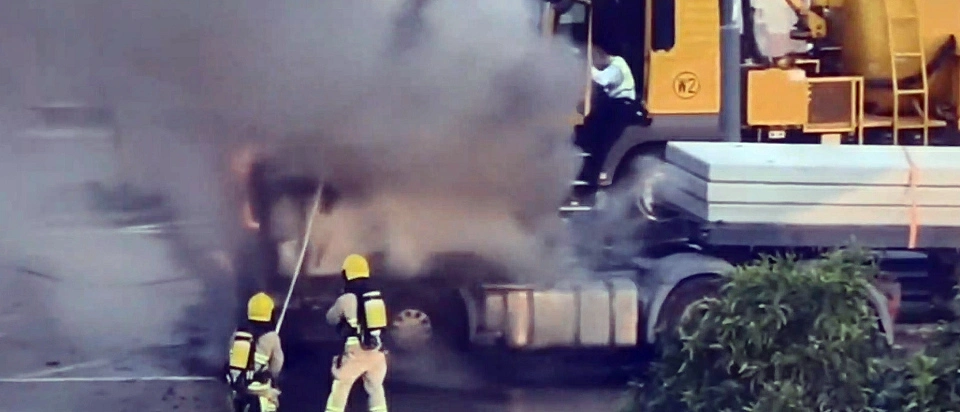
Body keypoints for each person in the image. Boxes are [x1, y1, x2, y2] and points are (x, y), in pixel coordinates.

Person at [576, 46, 650, 192]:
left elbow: (602, 80)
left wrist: (587, 66)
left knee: (605, 138)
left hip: (622, 107)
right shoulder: (613, 65)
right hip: (615, 106)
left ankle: (601, 173)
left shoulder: (617, 66)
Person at [323, 254, 390, 412]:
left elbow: (330, 319)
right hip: (377, 352)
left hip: (355, 353)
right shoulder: (375, 297)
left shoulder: (346, 298)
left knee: (340, 388)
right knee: (375, 390)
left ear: (346, 274)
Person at [225, 292, 285, 412]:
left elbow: (230, 355)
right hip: (260, 391)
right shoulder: (271, 337)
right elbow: (276, 366)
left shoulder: (238, 333)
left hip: (238, 389)